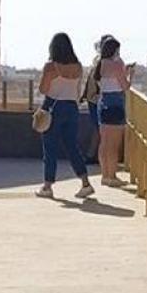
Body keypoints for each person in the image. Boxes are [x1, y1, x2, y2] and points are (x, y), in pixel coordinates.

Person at [37, 32, 95, 199]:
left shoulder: (51, 66)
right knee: (72, 146)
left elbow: (43, 89)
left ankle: (47, 186)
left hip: (53, 106)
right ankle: (85, 182)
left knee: (50, 147)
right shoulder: (77, 66)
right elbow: (77, 91)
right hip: (71, 107)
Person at [95, 35, 134, 187]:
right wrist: (130, 74)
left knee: (104, 142)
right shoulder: (117, 64)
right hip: (116, 102)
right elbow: (125, 86)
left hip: (103, 101)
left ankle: (104, 175)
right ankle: (112, 176)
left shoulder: (101, 64)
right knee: (114, 144)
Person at [80, 35, 113, 163]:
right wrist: (84, 95)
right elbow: (91, 80)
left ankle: (92, 155)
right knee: (98, 128)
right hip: (93, 99)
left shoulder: (104, 62)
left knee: (98, 129)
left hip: (97, 99)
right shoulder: (98, 60)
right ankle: (92, 155)